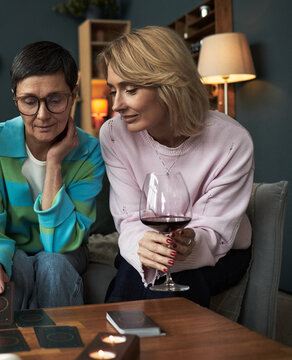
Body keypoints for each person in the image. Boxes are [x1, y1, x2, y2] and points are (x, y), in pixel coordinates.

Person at [99, 26, 254, 307]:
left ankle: (121, 345)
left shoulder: (232, 141)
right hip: (147, 244)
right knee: (142, 269)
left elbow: (216, 231)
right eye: (113, 90)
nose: (117, 105)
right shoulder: (114, 134)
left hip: (219, 254)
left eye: (130, 89)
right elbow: (129, 219)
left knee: (174, 282)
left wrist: (190, 243)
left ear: (169, 83)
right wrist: (142, 246)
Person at [0, 41, 105, 310]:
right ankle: (8, 351)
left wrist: (54, 163)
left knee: (53, 265)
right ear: (15, 96)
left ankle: (61, 348)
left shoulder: (89, 152)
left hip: (67, 251)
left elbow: (62, 243)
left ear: (73, 95)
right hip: (6, 246)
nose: (42, 115)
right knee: (15, 268)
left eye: (55, 100)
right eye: (29, 101)